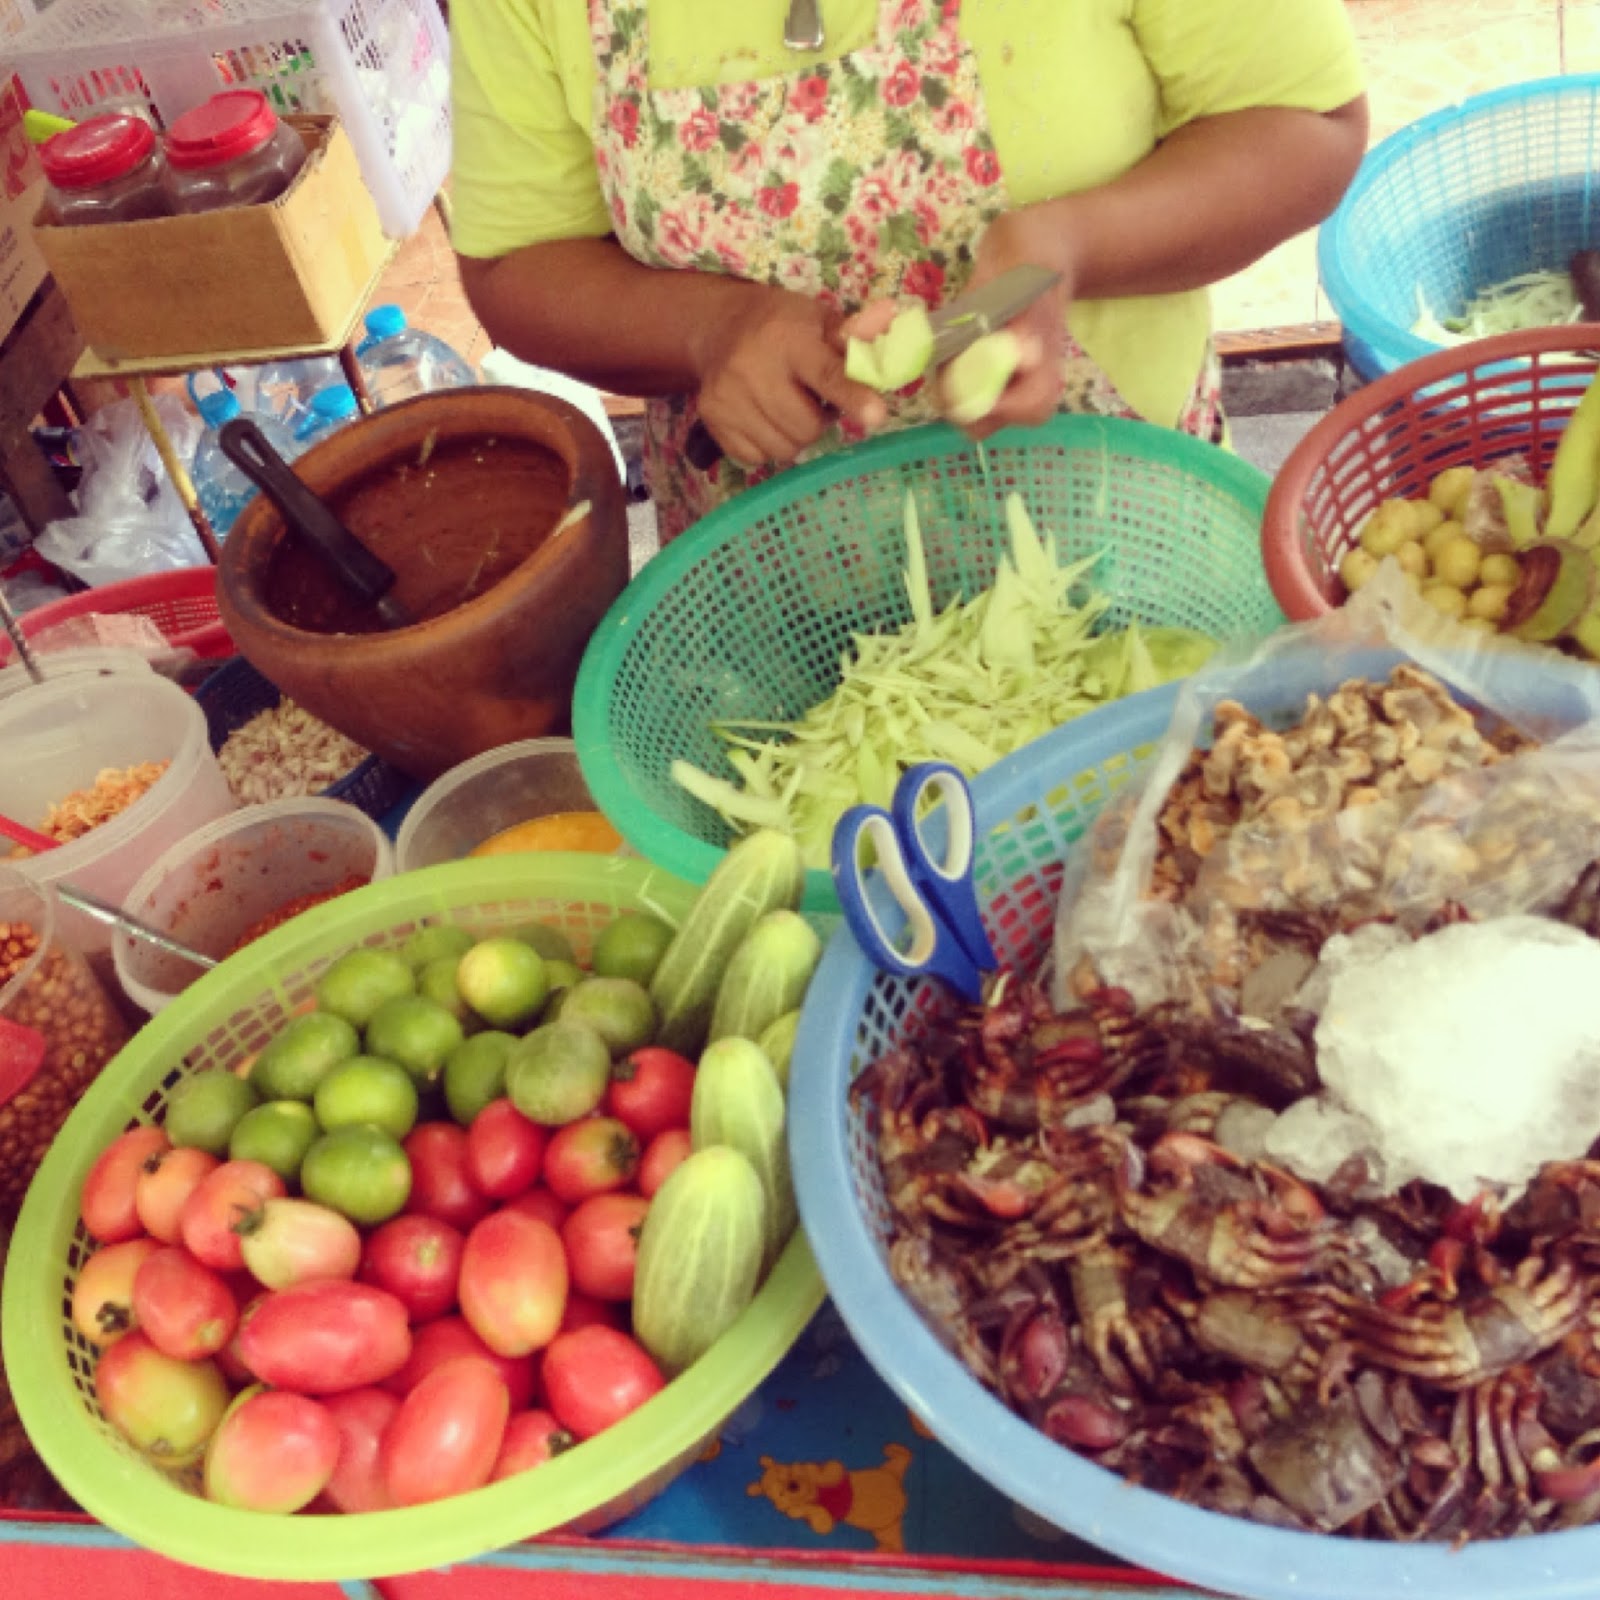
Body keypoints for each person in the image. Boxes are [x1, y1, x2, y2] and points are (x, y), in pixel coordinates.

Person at [450, 0, 1369, 543]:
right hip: (768, 584)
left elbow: (1305, 124)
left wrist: (1077, 245)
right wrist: (710, 328)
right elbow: (516, 260)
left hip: (1119, 531)